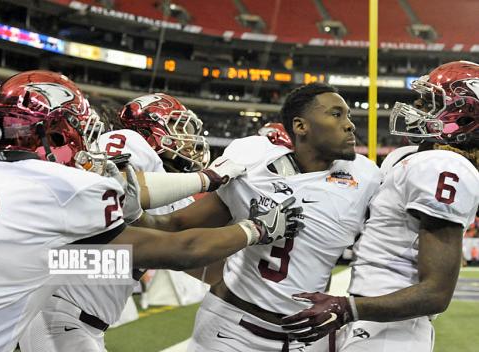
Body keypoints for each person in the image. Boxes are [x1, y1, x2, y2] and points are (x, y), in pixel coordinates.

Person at [0, 70, 303, 352]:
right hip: (60, 314)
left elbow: (154, 236)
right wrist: (245, 218)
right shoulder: (94, 169)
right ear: (56, 132)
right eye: (177, 126)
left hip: (56, 294)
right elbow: (175, 242)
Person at [141, 82, 381, 351]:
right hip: (232, 330)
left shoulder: (365, 177)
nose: (350, 125)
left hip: (306, 336)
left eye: (348, 115)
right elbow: (176, 225)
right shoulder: (252, 162)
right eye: (336, 114)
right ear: (301, 126)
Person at [281, 61, 479, 352]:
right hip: (370, 317)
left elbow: (436, 292)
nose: (417, 107)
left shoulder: (444, 166)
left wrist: (347, 309)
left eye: (429, 102)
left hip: (391, 329)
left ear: (462, 115)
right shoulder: (415, 156)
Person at [19, 92, 225, 351]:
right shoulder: (130, 142)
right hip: (58, 309)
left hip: (78, 317)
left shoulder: (172, 189)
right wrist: (207, 179)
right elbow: (112, 183)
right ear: (153, 128)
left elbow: (201, 264)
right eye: (177, 126)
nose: (188, 141)